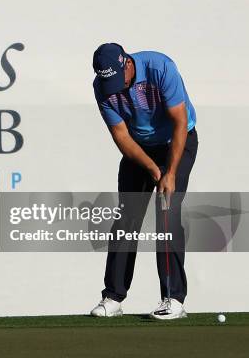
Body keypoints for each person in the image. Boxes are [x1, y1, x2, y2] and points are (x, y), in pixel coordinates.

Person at [89, 43, 198, 320]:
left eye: (118, 81)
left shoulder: (160, 68)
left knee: (167, 211)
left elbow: (180, 121)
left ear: (127, 63)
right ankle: (113, 297)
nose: (117, 89)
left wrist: (169, 173)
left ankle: (173, 299)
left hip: (177, 140)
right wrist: (152, 168)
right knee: (127, 217)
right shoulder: (102, 87)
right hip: (139, 149)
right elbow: (122, 137)